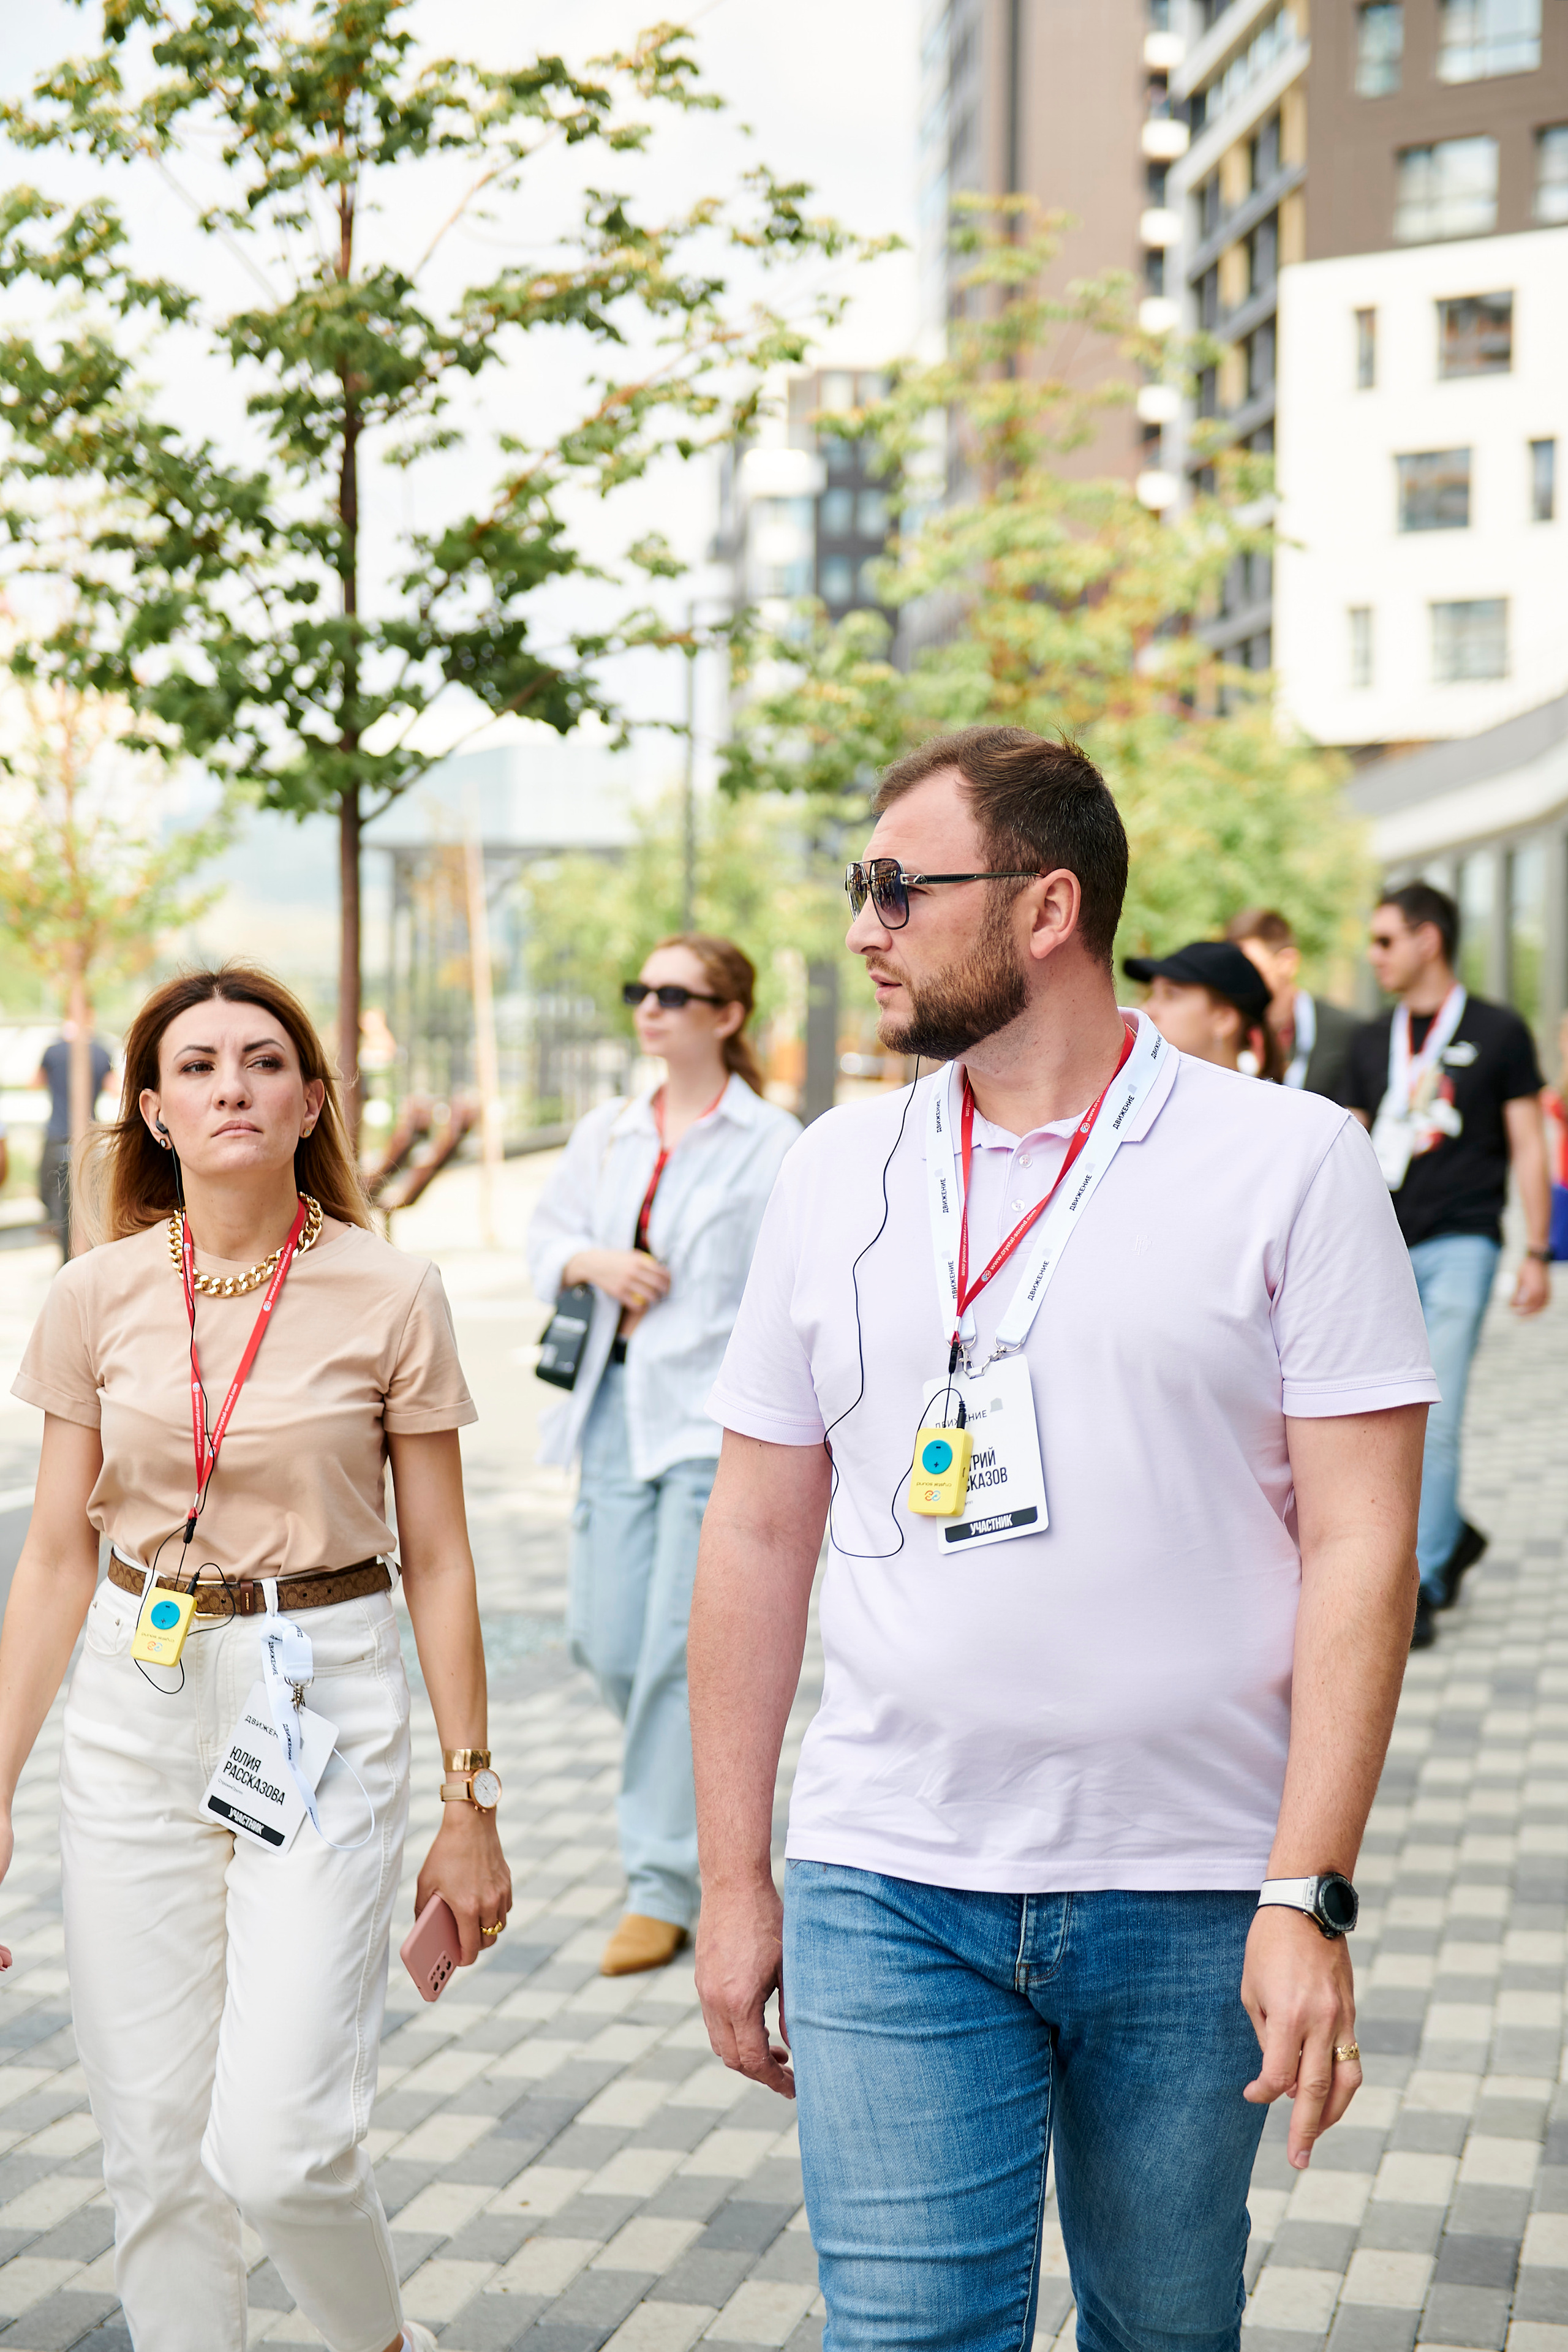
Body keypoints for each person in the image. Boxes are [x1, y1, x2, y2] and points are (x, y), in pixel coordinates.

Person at [688, 726, 1436, 2352]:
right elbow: (754, 1531)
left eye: (899, 887)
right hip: (890, 1880)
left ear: (1047, 906)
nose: (863, 925)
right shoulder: (833, 1175)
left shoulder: (1289, 1164)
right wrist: (734, 1878)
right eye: (858, 887)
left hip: (1189, 1884)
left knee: (1163, 2331)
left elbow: (1365, 1546)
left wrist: (1310, 1894)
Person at [3, 962, 508, 2352]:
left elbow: (445, 1559)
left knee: (278, 2142)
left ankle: (376, 2341)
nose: (235, 1082)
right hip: (133, 1684)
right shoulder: (94, 1293)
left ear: (310, 1100)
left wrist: (471, 1801)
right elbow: (51, 1554)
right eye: (202, 1063)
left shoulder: (392, 1289)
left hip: (321, 1688)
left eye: (266, 1059)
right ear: (154, 1110)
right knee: (154, 2147)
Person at [528, 935, 799, 1978]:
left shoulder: (771, 1142)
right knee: (608, 1643)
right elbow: (545, 1237)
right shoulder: (606, 1132)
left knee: (679, 1660)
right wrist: (591, 1261)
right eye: (639, 988)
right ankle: (683, 1819)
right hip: (609, 1407)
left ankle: (663, 1879)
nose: (650, 1007)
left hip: (707, 1422)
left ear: (727, 1014)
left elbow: (788, 1284)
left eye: (674, 994)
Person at [1348, 881, 1551, 1650]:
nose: (1374, 957)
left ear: (1428, 940)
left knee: (1435, 1411)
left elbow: (1530, 1141)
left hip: (1464, 1240)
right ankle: (1451, 1535)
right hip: (1382, 1249)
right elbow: (1350, 1147)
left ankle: (1423, 1578)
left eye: (1385, 940)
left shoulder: (1499, 1031)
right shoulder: (1371, 1042)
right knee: (1385, 1414)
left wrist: (1535, 1249)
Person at [1226, 908, 1360, 1102]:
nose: (1234, 979)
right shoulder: (1226, 1032)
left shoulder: (1345, 1032)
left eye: (1248, 966)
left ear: (1287, 962)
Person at [1123, 937, 1285, 1079]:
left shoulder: (1263, 1110)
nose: (1146, 1010)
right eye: (1152, 994)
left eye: (1170, 995)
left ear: (1223, 1019)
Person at [35, 1023, 113, 1257]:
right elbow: (114, 1086)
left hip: (57, 1134)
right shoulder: (101, 1051)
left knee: (52, 1198)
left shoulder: (52, 1051)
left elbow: (35, 1082)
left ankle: (58, 1230)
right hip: (88, 1135)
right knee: (85, 1197)